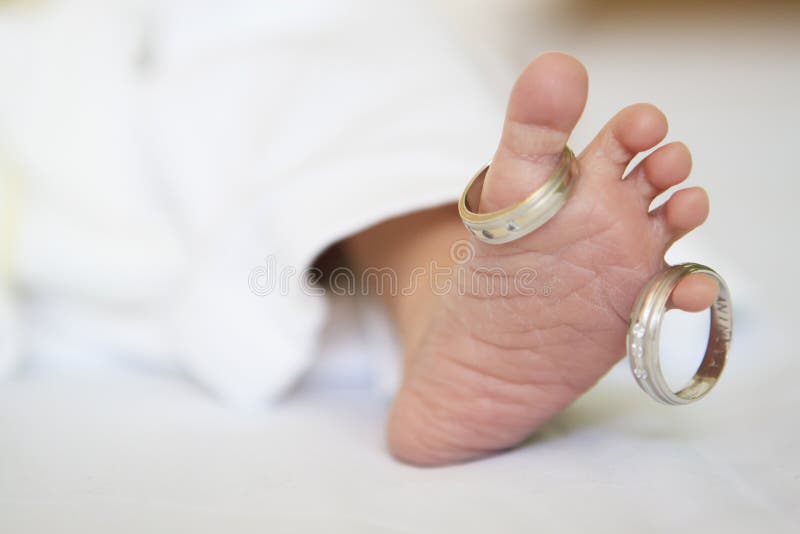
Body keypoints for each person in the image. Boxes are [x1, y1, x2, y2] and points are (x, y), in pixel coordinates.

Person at [0, 1, 717, 465]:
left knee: (341, 60)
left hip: (85, 174)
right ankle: (460, 284)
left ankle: (456, 288)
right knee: (339, 70)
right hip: (60, 109)